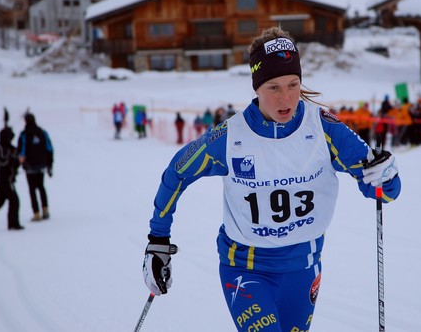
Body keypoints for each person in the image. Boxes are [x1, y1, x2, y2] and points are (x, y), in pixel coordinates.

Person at [141, 27, 401, 332]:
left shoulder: (324, 130)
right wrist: (158, 240)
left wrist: (386, 175)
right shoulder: (229, 137)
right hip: (246, 269)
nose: (286, 98)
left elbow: (384, 192)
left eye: (293, 84)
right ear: (256, 88)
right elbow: (177, 173)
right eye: (273, 87)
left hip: (303, 268)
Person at [17, 112, 54, 221]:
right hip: (42, 164)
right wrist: (50, 165)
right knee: (41, 187)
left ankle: (36, 213)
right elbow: (49, 149)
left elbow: (21, 153)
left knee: (32, 189)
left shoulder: (24, 135)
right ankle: (45, 209)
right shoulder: (42, 132)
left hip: (30, 166)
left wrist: (20, 164)